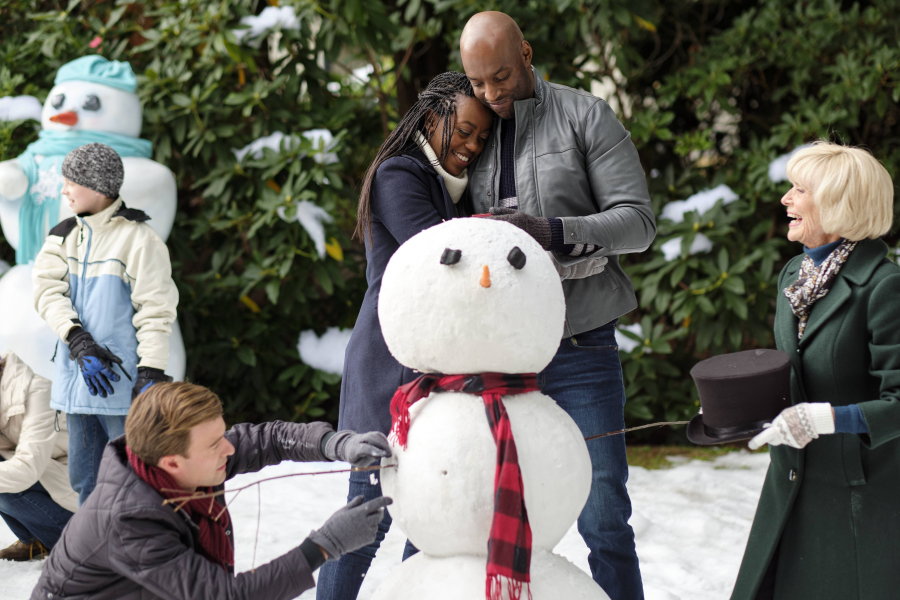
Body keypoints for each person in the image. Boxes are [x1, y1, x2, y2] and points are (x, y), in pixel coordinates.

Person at [459, 11, 657, 600]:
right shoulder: (470, 125)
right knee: (477, 511)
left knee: (604, 516)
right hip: (496, 353)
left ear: (525, 53)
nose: (490, 94)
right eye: (477, 82)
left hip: (580, 344)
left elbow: (638, 223)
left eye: (500, 77)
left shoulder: (585, 115)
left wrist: (551, 230)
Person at [317, 71, 494, 600]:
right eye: (464, 130)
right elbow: (442, 254)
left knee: (433, 520)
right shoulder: (399, 173)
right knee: (366, 520)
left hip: (437, 374)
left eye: (482, 137)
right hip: (388, 366)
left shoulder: (456, 187)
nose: (472, 145)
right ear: (432, 117)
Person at [32, 381, 394, 599]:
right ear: (172, 463)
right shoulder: (130, 522)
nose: (229, 449)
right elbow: (221, 596)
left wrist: (335, 443)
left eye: (222, 434)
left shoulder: (176, 462)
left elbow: (267, 439)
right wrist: (324, 545)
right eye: (214, 444)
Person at [731, 142, 900, 600]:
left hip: (858, 496)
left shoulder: (885, 287)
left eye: (800, 190)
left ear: (839, 203)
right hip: (792, 481)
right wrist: (737, 408)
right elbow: (799, 370)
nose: (785, 198)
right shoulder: (796, 275)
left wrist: (827, 419)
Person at [32, 142, 178, 505]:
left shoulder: (140, 240)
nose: (64, 190)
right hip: (80, 378)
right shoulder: (63, 236)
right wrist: (76, 339)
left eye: (71, 182)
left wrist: (151, 371)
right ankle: (93, 542)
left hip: (122, 386)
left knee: (134, 480)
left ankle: (141, 540)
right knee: (85, 481)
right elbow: (46, 292)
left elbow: (156, 310)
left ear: (96, 186)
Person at [0, 351, 77, 561]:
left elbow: (26, 469)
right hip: (42, 473)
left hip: (68, 480)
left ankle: (73, 543)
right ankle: (34, 540)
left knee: (6, 484)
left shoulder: (38, 391)